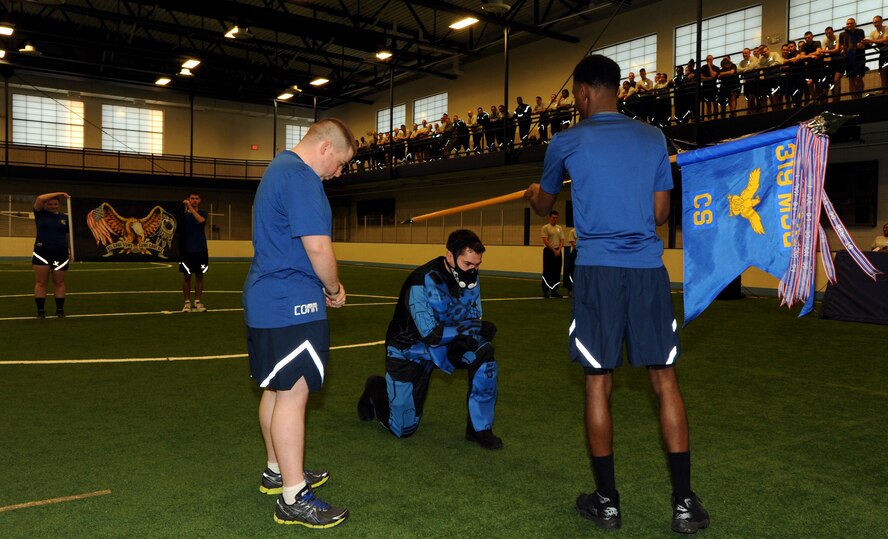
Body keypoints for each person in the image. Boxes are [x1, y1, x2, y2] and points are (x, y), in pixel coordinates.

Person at [524, 54, 709, 534]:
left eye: (575, 96)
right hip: (648, 270)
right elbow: (662, 213)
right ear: (617, 89)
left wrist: (533, 196)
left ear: (584, 92)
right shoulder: (653, 138)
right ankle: (684, 504)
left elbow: (545, 203)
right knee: (664, 381)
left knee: (597, 383)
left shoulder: (564, 141)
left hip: (598, 275)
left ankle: (607, 502)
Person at [243, 118, 355, 528]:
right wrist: (333, 287)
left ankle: (278, 470)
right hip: (292, 301)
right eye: (340, 163)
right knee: (294, 393)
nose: (338, 173)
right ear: (326, 148)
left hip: (265, 297)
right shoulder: (303, 177)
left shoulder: (277, 169)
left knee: (276, 388)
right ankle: (294, 496)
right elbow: (318, 246)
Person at [357, 229, 503, 450]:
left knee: (484, 353)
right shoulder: (421, 281)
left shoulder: (470, 276)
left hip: (447, 343)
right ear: (449, 256)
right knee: (403, 430)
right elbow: (432, 335)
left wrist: (468, 335)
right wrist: (474, 327)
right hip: (409, 349)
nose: (473, 270)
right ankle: (374, 388)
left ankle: (479, 429)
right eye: (467, 264)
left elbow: (473, 313)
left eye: (477, 265)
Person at [32, 192, 70, 318]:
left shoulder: (65, 218)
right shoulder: (40, 214)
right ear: (45, 205)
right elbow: (39, 198)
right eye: (50, 204)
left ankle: (60, 310)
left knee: (59, 282)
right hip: (42, 253)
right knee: (41, 282)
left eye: (56, 204)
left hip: (61, 253)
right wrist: (60, 193)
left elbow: (70, 236)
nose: (53, 206)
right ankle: (41, 311)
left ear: (59, 205)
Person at [179, 192, 209, 313]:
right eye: (192, 199)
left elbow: (200, 221)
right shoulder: (183, 216)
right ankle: (187, 303)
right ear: (188, 199)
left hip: (201, 250)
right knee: (187, 276)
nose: (194, 200)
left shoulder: (203, 213)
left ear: (200, 200)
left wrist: (190, 207)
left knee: (200, 276)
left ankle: (197, 302)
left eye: (196, 198)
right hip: (187, 251)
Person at [541, 210, 564, 299]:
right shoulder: (545, 228)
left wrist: (559, 250)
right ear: (550, 217)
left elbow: (562, 239)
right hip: (549, 252)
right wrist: (554, 250)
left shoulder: (559, 228)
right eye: (553, 217)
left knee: (557, 271)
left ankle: (554, 291)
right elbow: (545, 240)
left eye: (556, 218)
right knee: (547, 271)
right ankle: (546, 291)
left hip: (558, 251)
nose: (555, 219)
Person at [840, 18, 866, 98]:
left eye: (851, 23)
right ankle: (853, 98)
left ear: (855, 24)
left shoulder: (859, 31)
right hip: (849, 59)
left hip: (859, 58)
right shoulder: (842, 34)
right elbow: (842, 46)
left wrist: (850, 47)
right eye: (848, 24)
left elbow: (861, 44)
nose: (849, 25)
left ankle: (860, 96)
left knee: (859, 77)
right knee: (851, 79)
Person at [864, 15, 888, 94]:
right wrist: (863, 43)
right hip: (883, 53)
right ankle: (884, 89)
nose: (876, 24)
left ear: (882, 21)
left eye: (878, 22)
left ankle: (884, 88)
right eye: (874, 22)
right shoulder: (873, 33)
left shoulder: (886, 28)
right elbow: (870, 43)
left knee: (884, 70)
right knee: (881, 71)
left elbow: (885, 40)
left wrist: (871, 41)